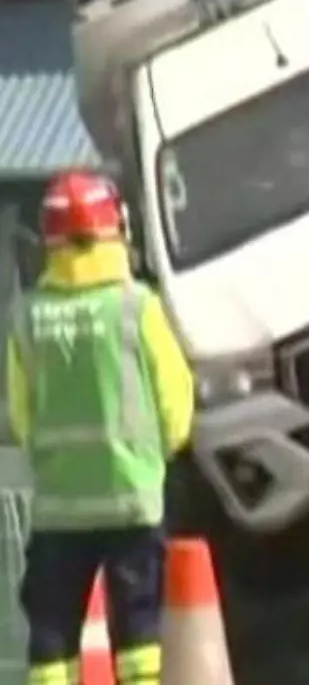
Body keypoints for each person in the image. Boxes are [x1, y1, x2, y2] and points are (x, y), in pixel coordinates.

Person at [6, 169, 195, 685]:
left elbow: (19, 414)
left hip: (59, 509)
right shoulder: (137, 307)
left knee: (52, 630)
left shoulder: (28, 315)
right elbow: (175, 400)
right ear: (115, 230)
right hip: (132, 498)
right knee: (138, 627)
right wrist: (155, 456)